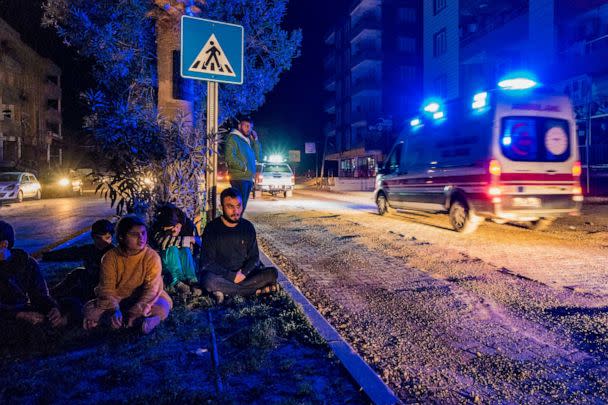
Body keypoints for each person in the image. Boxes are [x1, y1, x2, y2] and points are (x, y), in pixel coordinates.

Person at [83, 216, 172, 334]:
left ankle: (146, 321)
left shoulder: (151, 257)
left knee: (163, 306)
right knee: (89, 310)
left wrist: (136, 310)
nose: (141, 238)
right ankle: (131, 322)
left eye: (143, 233)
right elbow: (106, 289)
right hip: (118, 299)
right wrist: (114, 309)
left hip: (144, 299)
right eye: (134, 234)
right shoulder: (110, 257)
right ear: (122, 237)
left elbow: (152, 289)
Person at [199, 188, 278, 303]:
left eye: (238, 206)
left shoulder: (247, 227)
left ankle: (229, 292)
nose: (236, 211)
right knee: (208, 281)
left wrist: (244, 273)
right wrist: (231, 276)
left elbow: (254, 257)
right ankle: (253, 291)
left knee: (272, 273)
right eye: (230, 206)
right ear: (221, 207)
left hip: (244, 276)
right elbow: (207, 262)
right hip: (223, 276)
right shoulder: (212, 228)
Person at [0, 221, 68, 332]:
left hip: (23, 312)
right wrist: (19, 314)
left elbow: (39, 294)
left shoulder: (26, 262)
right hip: (7, 315)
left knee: (70, 305)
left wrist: (52, 308)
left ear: (4, 244)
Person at [43, 219, 115, 306]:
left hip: (105, 289)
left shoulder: (114, 253)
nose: (103, 242)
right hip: (89, 283)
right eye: (98, 238)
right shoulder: (90, 250)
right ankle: (49, 295)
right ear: (93, 237)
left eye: (107, 238)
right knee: (78, 272)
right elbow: (71, 253)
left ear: (111, 237)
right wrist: (47, 256)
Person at [151, 203, 200, 295]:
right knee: (172, 248)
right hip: (167, 262)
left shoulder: (188, 226)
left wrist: (189, 241)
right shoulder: (158, 226)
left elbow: (198, 243)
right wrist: (187, 239)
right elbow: (162, 242)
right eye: (167, 230)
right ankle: (176, 281)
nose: (172, 231)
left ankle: (192, 280)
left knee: (185, 250)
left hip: (186, 261)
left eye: (173, 228)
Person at [224, 117, 262, 212]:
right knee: (238, 207)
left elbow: (259, 156)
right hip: (239, 177)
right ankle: (235, 226)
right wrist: (244, 167)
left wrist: (256, 140)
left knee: (241, 207)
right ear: (239, 125)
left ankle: (237, 225)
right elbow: (229, 158)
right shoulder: (233, 138)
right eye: (246, 126)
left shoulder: (247, 140)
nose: (249, 129)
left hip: (247, 178)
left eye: (250, 127)